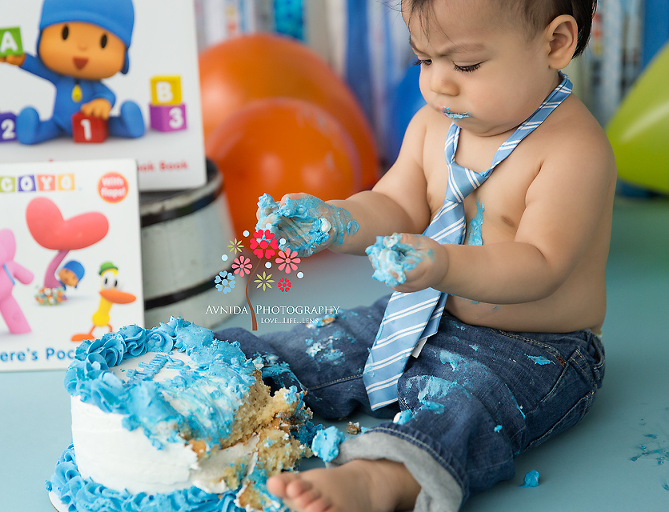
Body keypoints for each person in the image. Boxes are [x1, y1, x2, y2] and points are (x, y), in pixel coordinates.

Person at [215, 0, 614, 511]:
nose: (439, 84)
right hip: (424, 309)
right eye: (424, 60)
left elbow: (540, 264)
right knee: (329, 342)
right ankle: (224, 381)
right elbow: (395, 203)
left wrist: (445, 265)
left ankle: (380, 479)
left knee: (462, 406)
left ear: (555, 43)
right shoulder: (433, 126)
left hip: (536, 347)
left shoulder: (572, 151)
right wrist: (338, 220)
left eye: (465, 65)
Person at [0, 0, 145, 144]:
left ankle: (127, 124)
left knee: (107, 125)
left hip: (95, 123)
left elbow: (108, 94)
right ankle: (33, 130)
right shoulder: (60, 78)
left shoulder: (93, 85)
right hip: (59, 123)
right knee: (50, 127)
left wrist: (102, 102)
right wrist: (22, 59)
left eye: (103, 42)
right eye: (65, 34)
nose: (82, 47)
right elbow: (38, 68)